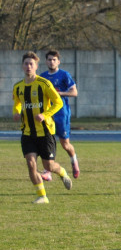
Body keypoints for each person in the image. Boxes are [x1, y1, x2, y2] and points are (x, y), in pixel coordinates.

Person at [11, 52, 73, 204]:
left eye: (31, 64)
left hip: (45, 132)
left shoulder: (44, 84)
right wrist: (16, 112)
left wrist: (45, 115)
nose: (28, 66)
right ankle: (42, 196)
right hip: (27, 132)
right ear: (22, 66)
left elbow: (58, 102)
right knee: (31, 164)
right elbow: (17, 103)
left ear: (36, 66)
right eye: (26, 63)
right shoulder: (18, 87)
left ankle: (62, 172)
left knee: (49, 166)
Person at [39, 50, 81, 179]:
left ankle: (74, 161)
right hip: (47, 114)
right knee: (48, 142)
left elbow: (74, 93)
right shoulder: (42, 77)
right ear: (46, 61)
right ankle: (48, 171)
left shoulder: (64, 75)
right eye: (49, 59)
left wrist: (59, 94)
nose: (51, 62)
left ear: (58, 61)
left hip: (62, 114)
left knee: (65, 144)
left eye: (54, 59)